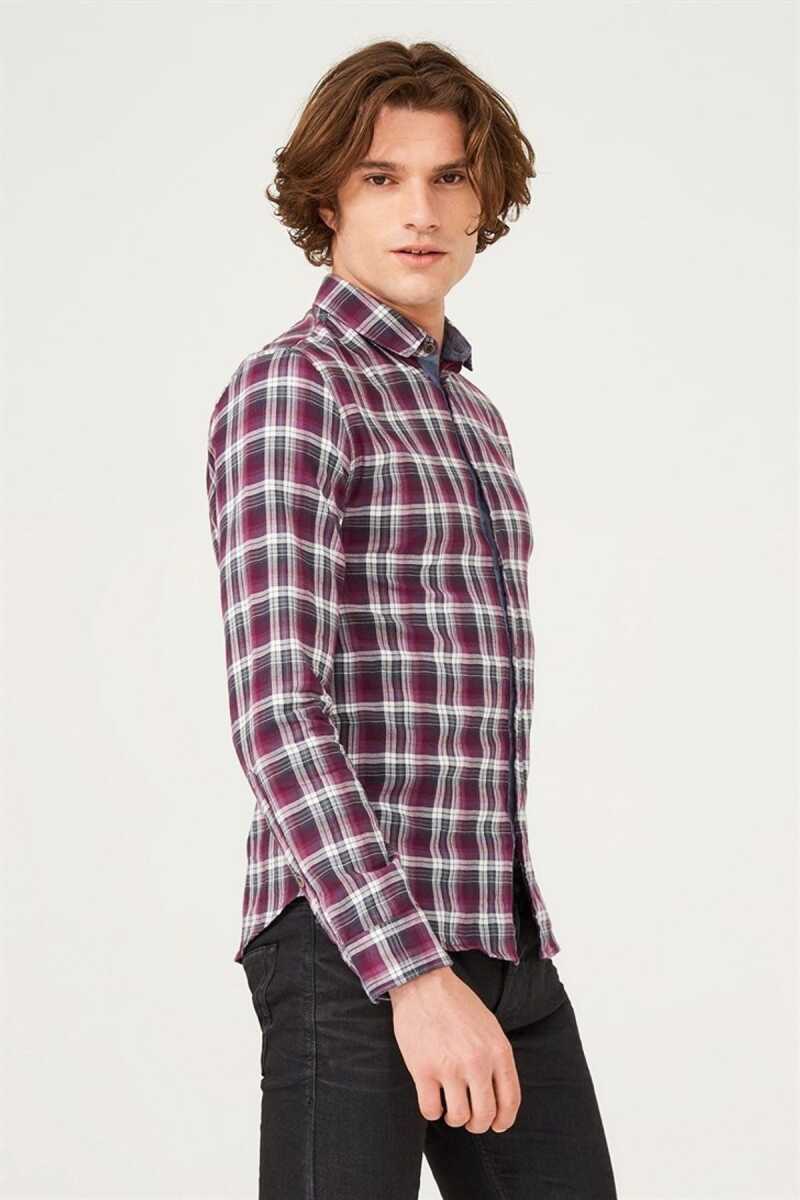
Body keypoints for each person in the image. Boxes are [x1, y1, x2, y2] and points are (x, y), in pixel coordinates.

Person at [205, 38, 618, 1200]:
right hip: (353, 945)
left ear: (486, 202)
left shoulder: (471, 414)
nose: (420, 211)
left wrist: (483, 956)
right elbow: (277, 712)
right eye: (382, 178)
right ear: (326, 199)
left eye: (449, 178)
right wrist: (407, 971)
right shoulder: (296, 387)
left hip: (498, 935)